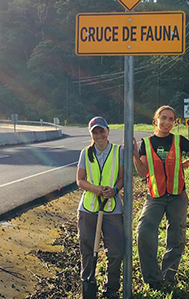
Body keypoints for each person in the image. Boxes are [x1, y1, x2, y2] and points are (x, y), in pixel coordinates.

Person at [132, 105, 189, 291]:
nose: (167, 122)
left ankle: (168, 276)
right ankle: (153, 279)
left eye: (171, 119)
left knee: (176, 237)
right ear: (156, 120)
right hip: (155, 196)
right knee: (144, 232)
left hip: (178, 195)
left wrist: (182, 166)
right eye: (164, 118)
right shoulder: (146, 143)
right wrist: (135, 155)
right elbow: (143, 171)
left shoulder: (179, 141)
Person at [76, 116, 124, 299]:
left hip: (112, 208)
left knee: (116, 251)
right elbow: (80, 180)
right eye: (94, 132)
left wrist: (114, 190)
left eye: (101, 131)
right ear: (91, 134)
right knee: (87, 249)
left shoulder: (118, 152)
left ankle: (111, 288)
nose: (98, 135)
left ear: (107, 131)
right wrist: (97, 190)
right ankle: (88, 284)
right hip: (88, 209)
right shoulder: (85, 153)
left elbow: (122, 178)